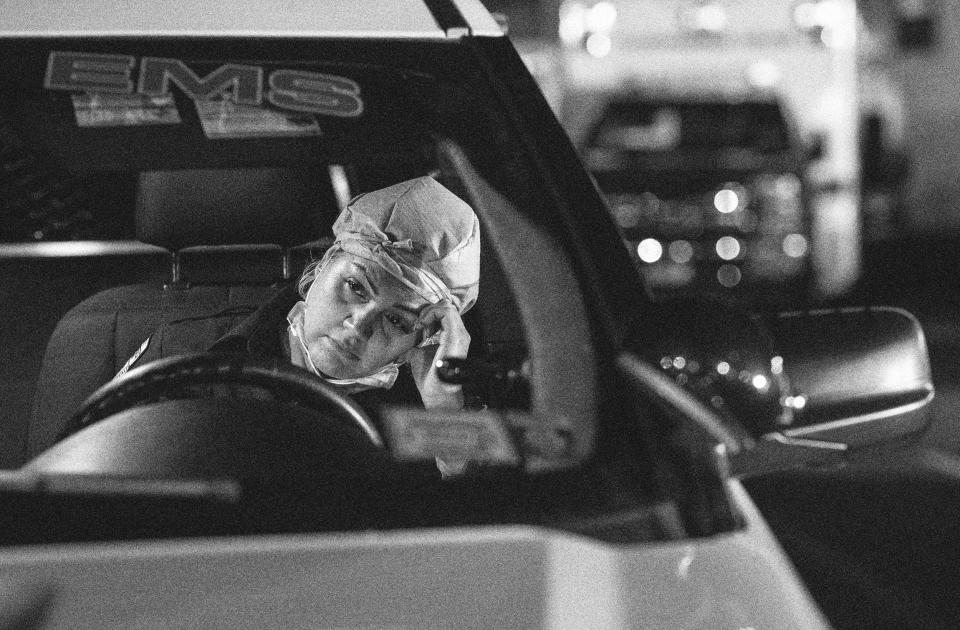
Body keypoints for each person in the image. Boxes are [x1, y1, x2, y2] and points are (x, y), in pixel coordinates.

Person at [116, 176, 481, 412]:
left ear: (421, 339)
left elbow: (476, 517)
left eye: (398, 320)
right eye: (355, 286)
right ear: (321, 268)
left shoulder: (433, 410)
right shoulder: (181, 351)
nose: (359, 326)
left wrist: (444, 406)